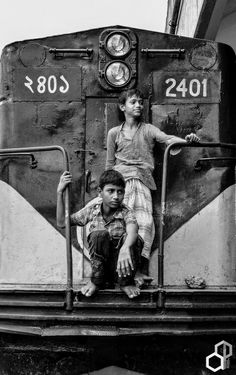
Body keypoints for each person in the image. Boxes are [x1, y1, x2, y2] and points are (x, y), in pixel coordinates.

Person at [106, 89, 200, 285]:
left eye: (140, 102)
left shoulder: (148, 129)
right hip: (120, 185)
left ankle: (138, 270)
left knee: (145, 224)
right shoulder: (114, 133)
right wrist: (106, 189)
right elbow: (109, 164)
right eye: (133, 102)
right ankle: (117, 274)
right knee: (117, 226)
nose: (138, 105)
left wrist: (186, 140)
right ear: (123, 107)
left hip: (142, 183)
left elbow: (167, 139)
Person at [57, 169, 143, 299]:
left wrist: (125, 248)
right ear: (100, 192)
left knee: (134, 239)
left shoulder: (126, 212)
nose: (116, 196)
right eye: (111, 191)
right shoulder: (92, 210)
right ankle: (96, 281)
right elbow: (62, 222)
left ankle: (125, 282)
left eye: (120, 192)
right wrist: (60, 192)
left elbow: (133, 230)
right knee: (98, 235)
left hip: (121, 270)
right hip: (100, 270)